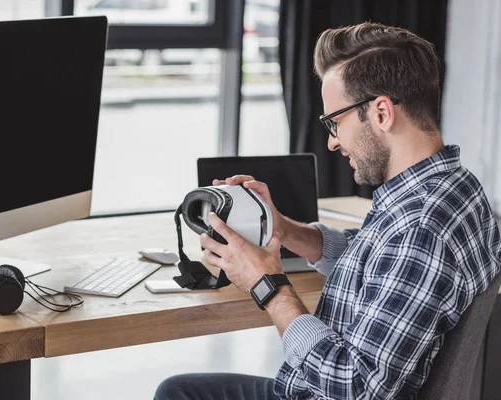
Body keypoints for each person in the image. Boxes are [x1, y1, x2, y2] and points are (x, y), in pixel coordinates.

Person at [154, 22, 501, 399]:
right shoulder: (453, 186)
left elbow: (355, 386)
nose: (333, 142)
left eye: (335, 122)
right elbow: (380, 261)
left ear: (382, 112)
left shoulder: (420, 228)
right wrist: (283, 230)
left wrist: (267, 284)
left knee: (177, 393)